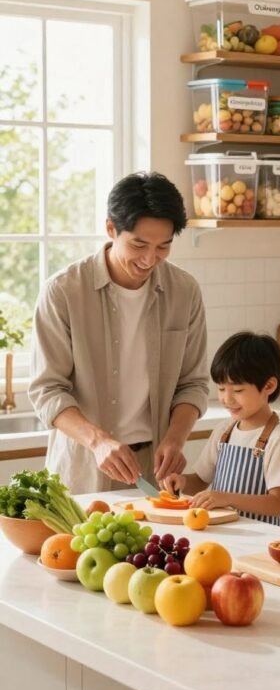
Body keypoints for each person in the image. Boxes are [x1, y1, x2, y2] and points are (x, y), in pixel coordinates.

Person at [29, 172, 208, 494]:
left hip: (154, 471)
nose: (149, 258)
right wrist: (98, 442)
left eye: (163, 246)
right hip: (84, 468)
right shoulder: (63, 292)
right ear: (111, 228)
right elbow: (47, 390)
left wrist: (175, 438)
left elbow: (192, 383)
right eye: (139, 244)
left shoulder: (184, 291)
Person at [162, 332, 280, 525]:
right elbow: (200, 479)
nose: (226, 399)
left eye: (238, 390)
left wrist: (227, 498)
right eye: (221, 388)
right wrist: (181, 482)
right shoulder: (224, 431)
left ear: (269, 385)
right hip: (225, 534)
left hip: (262, 541)